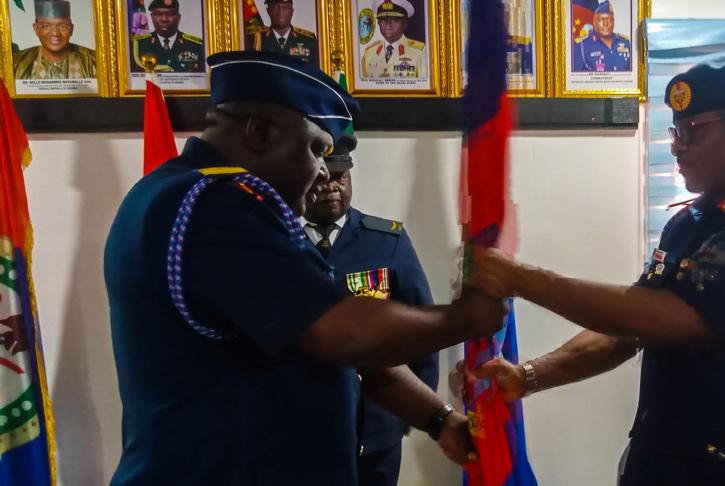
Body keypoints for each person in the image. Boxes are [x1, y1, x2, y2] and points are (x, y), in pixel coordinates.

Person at [105, 50, 504, 485]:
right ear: (259, 132)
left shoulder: (189, 194)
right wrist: (466, 318)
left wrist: (438, 419)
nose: (321, 173)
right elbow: (341, 332)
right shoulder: (215, 206)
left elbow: (336, 340)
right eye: (316, 150)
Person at [465, 55, 725, 485]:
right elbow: (628, 331)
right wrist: (527, 376)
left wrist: (524, 280)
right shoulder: (690, 222)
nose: (676, 145)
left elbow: (670, 320)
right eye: (676, 131)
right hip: (666, 464)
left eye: (692, 131)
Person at [301, 133, 440, 486]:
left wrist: (409, 413)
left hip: (374, 429)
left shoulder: (386, 241)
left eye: (340, 177)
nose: (332, 187)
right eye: (321, 178)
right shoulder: (277, 242)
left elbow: (421, 331)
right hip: (298, 430)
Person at [13, 0, 97, 80]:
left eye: (62, 26)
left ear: (71, 29)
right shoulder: (17, 64)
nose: (55, 33)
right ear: (36, 29)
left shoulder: (94, 61)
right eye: (46, 26)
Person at [131, 0, 204, 73]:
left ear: (179, 17)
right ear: (152, 17)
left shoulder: (195, 46)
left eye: (170, 14)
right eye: (158, 14)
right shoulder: (139, 45)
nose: (164, 19)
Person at [360, 0, 427, 79]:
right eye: (383, 19)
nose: (388, 25)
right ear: (378, 23)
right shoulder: (369, 53)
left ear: (405, 24)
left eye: (395, 19)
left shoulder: (419, 52)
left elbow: (424, 85)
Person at [245, 0, 319, 66]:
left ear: (292, 11)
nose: (280, 12)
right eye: (276, 7)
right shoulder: (254, 40)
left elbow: (315, 73)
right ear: (268, 10)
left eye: (285, 8)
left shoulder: (308, 40)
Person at [572, 1, 631, 72]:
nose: (606, 23)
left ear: (613, 21)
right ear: (594, 22)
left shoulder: (626, 43)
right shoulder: (581, 46)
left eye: (609, 19)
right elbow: (575, 77)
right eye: (601, 19)